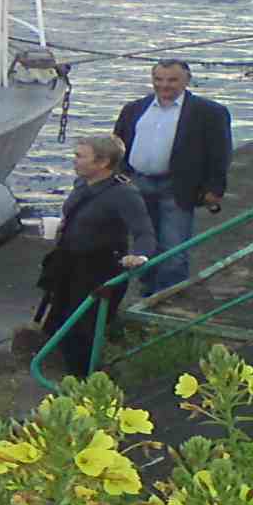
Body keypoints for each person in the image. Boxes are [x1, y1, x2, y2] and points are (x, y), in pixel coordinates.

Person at [34, 134, 156, 379]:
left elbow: (144, 233)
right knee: (59, 324)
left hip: (98, 270)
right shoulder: (82, 185)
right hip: (69, 264)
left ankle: (84, 381)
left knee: (83, 330)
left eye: (80, 156)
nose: (74, 161)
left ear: (103, 162)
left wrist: (140, 256)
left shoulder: (124, 194)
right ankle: (69, 378)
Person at [112, 59, 234, 295]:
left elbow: (220, 153)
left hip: (177, 187)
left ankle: (169, 298)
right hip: (138, 184)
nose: (164, 85)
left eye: (172, 80)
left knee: (174, 247)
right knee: (144, 245)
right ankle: (147, 291)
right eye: (158, 79)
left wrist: (214, 189)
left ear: (187, 80)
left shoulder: (210, 112)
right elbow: (118, 144)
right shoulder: (134, 108)